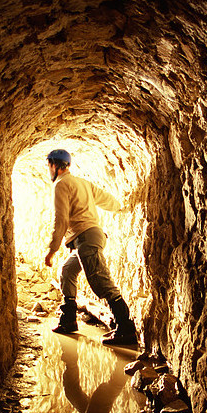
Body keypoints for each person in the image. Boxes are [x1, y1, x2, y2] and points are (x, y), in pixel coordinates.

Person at [43, 148, 138, 346]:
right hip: (87, 237)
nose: (49, 169)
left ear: (55, 165)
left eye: (49, 165)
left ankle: (125, 329)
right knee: (67, 271)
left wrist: (51, 250)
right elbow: (106, 199)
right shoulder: (81, 182)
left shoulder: (61, 184)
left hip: (86, 237)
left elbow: (61, 219)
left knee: (100, 282)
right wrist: (120, 206)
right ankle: (68, 320)